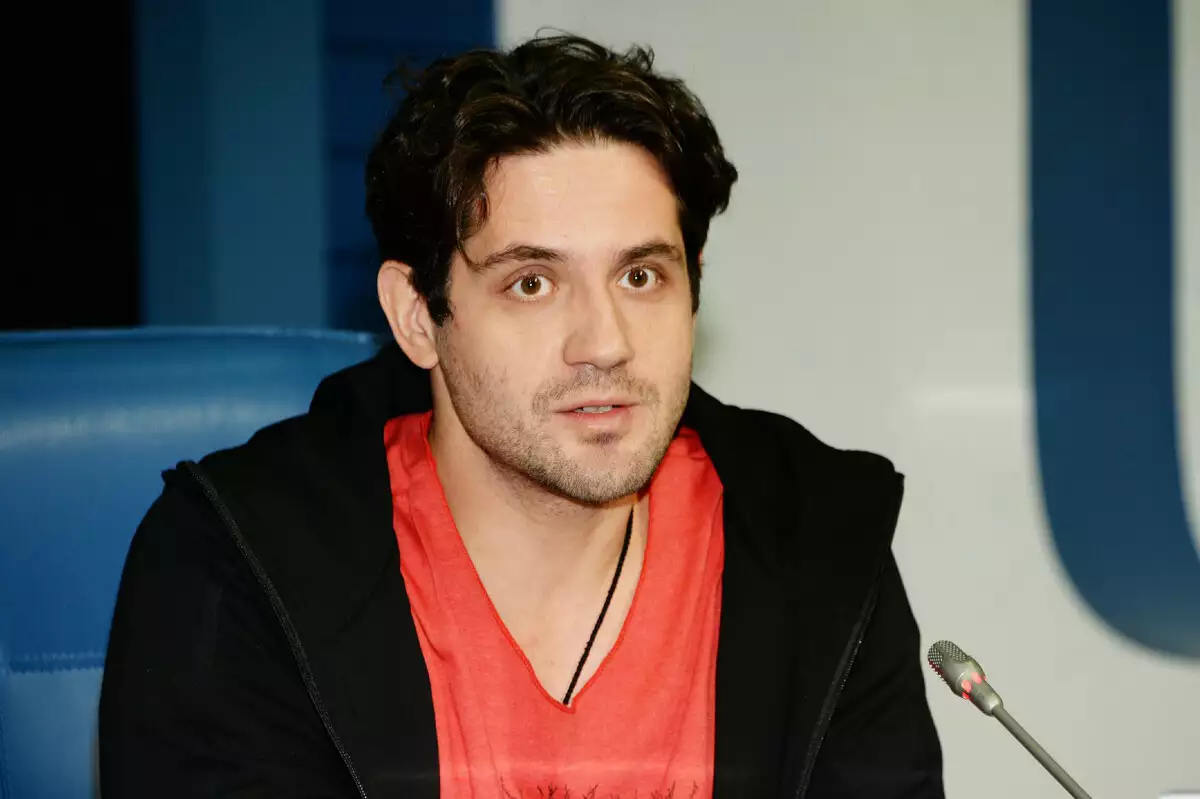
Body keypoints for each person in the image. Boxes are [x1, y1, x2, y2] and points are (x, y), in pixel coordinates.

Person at [99, 33, 944, 798]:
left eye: (642, 276)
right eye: (532, 283)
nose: (605, 342)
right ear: (416, 316)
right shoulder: (239, 564)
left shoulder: (820, 548)